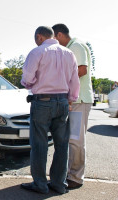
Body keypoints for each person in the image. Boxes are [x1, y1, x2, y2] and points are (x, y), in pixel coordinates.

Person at [20, 26, 80, 194]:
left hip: (42, 102)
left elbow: (28, 78)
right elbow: (75, 81)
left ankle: (40, 184)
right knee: (62, 145)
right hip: (62, 102)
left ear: (39, 37)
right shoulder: (69, 53)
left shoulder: (37, 52)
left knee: (39, 144)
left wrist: (28, 83)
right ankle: (59, 184)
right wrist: (70, 99)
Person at [52, 23, 94, 189]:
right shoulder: (70, 47)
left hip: (80, 100)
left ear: (59, 35)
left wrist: (59, 79)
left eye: (54, 39)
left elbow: (82, 70)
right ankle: (69, 175)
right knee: (71, 140)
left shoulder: (75, 46)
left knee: (76, 140)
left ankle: (75, 178)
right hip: (73, 101)